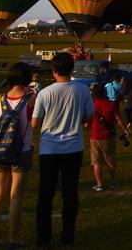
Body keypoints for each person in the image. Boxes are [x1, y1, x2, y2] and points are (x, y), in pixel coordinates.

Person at [32, 52, 94, 249]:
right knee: (70, 193)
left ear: (53, 70)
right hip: (73, 148)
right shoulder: (82, 90)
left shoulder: (45, 93)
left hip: (48, 149)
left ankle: (43, 238)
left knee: (45, 195)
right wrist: (77, 121)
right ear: (72, 69)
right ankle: (68, 236)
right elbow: (89, 116)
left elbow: (35, 122)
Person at [0, 62, 35, 249]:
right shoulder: (32, 98)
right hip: (21, 150)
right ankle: (13, 238)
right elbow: (34, 122)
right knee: (15, 196)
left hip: (0, 150)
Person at [89, 82, 129, 191]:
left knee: (96, 162)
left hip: (95, 136)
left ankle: (99, 184)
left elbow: (87, 121)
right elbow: (118, 119)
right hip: (108, 136)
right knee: (110, 160)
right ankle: (113, 182)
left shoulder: (91, 105)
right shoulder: (111, 104)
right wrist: (126, 129)